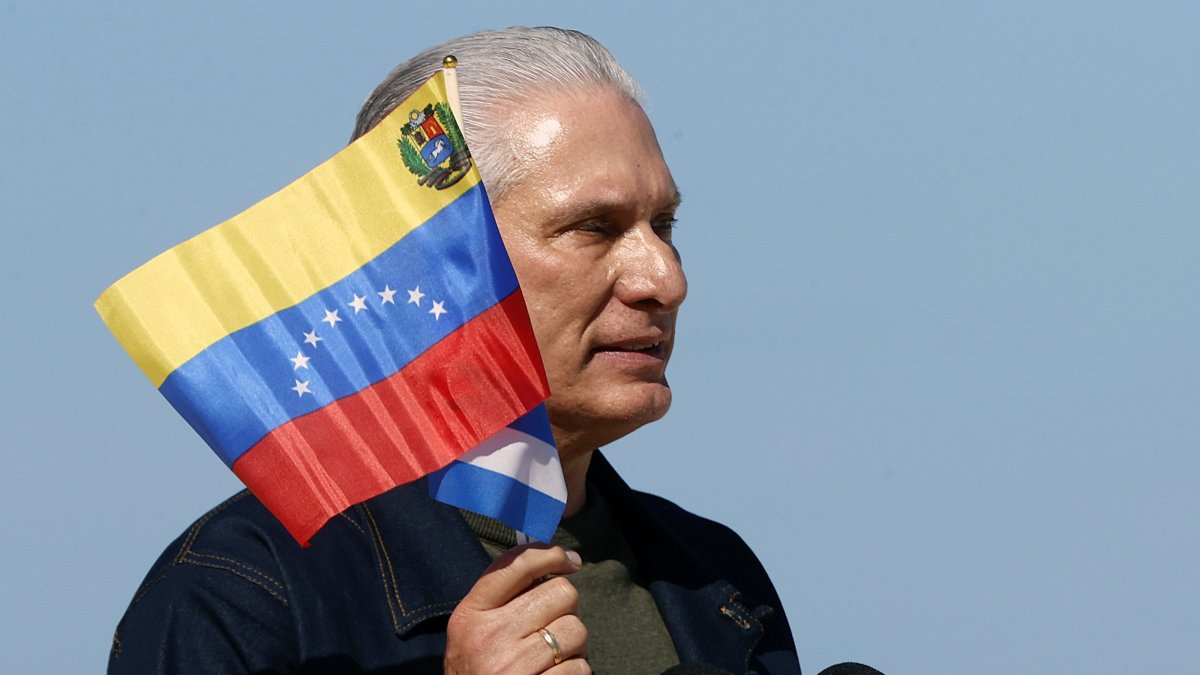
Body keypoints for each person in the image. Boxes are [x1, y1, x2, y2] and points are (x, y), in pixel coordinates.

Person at [108, 26, 800, 674]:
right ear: (431, 260)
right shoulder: (244, 591)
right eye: (594, 227)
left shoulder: (717, 577)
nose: (666, 280)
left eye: (664, 224)